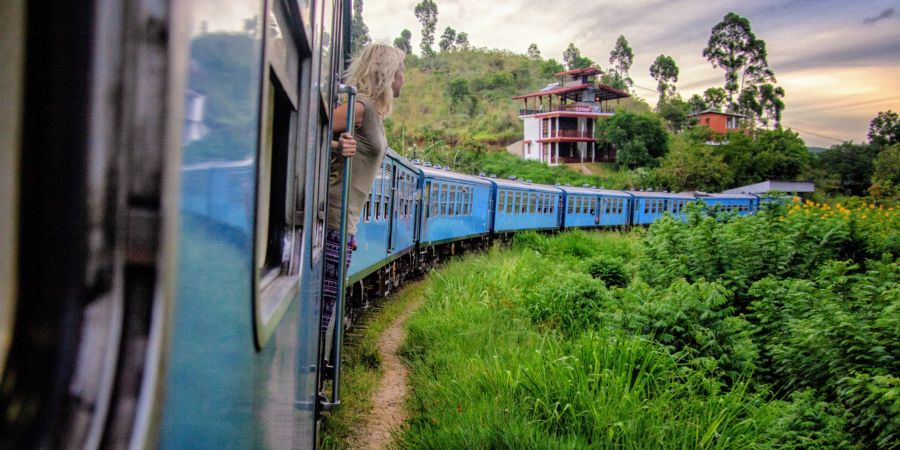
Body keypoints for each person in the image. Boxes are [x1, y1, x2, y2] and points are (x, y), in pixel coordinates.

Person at [321, 44, 406, 345]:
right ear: (386, 74)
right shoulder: (362, 108)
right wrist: (335, 146)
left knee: (328, 304)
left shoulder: (375, 114)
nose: (403, 80)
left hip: (347, 221)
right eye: (399, 72)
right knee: (324, 308)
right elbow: (310, 128)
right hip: (335, 216)